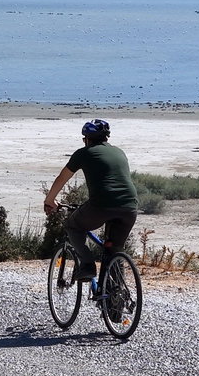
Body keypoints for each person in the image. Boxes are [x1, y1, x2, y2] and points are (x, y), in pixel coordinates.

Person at [42, 118, 139, 289]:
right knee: (114, 249)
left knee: (73, 226)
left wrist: (50, 200)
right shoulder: (119, 152)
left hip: (100, 206)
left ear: (86, 139)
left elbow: (62, 178)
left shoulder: (83, 153)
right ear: (106, 139)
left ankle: (87, 265)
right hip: (130, 207)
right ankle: (115, 302)